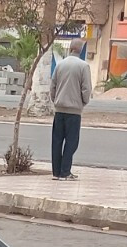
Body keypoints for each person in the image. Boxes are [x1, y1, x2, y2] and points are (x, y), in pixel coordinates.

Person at [49, 40, 92, 181]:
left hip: (59, 109)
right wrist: (83, 102)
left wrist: (56, 100)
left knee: (57, 141)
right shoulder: (83, 66)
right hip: (74, 110)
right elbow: (86, 88)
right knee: (71, 142)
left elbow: (52, 86)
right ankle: (65, 171)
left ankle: (56, 172)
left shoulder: (60, 65)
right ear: (80, 50)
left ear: (70, 48)